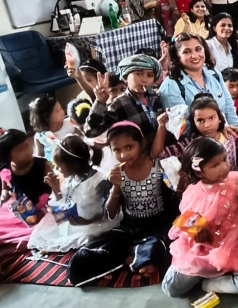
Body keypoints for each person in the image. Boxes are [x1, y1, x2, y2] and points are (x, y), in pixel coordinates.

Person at [162, 137, 238, 297]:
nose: (225, 167)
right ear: (199, 171)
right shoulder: (192, 192)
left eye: (225, 159)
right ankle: (208, 271)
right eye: (215, 165)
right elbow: (186, 218)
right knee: (171, 288)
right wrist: (196, 233)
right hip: (205, 250)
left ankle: (208, 283)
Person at [67, 122, 178, 285]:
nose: (123, 155)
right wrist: (116, 187)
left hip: (159, 228)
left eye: (129, 147)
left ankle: (137, 255)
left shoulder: (159, 167)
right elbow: (111, 214)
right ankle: (136, 255)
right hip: (129, 229)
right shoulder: (115, 174)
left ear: (142, 144)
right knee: (83, 258)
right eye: (117, 150)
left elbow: (176, 201)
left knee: (159, 246)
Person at [27, 136, 121, 252]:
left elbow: (109, 212)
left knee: (86, 238)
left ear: (72, 165)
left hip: (96, 224)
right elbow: (64, 203)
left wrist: (87, 221)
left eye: (59, 166)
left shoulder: (99, 181)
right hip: (77, 224)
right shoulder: (71, 180)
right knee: (41, 233)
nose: (56, 169)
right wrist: (55, 188)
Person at [158, 33, 238, 127]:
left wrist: (237, 131)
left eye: (198, 49)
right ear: (177, 56)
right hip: (198, 136)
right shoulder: (171, 86)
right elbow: (182, 128)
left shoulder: (214, 73)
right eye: (186, 52)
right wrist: (218, 131)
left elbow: (229, 109)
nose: (194, 55)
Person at [86, 54, 167, 143]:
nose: (145, 80)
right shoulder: (118, 105)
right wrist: (100, 102)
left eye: (150, 75)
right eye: (139, 74)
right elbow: (91, 132)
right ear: (125, 77)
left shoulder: (155, 98)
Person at [0, 129, 52, 244]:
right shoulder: (6, 170)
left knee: (50, 223)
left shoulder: (42, 164)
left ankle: (30, 239)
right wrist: (4, 194)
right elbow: (5, 189)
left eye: (28, 144)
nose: (28, 150)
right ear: (8, 156)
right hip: (23, 210)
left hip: (45, 207)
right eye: (21, 149)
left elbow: (55, 187)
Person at [30, 95, 76, 160]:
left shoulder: (70, 124)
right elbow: (40, 156)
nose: (62, 111)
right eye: (57, 111)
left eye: (61, 108)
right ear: (46, 117)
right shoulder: (40, 136)